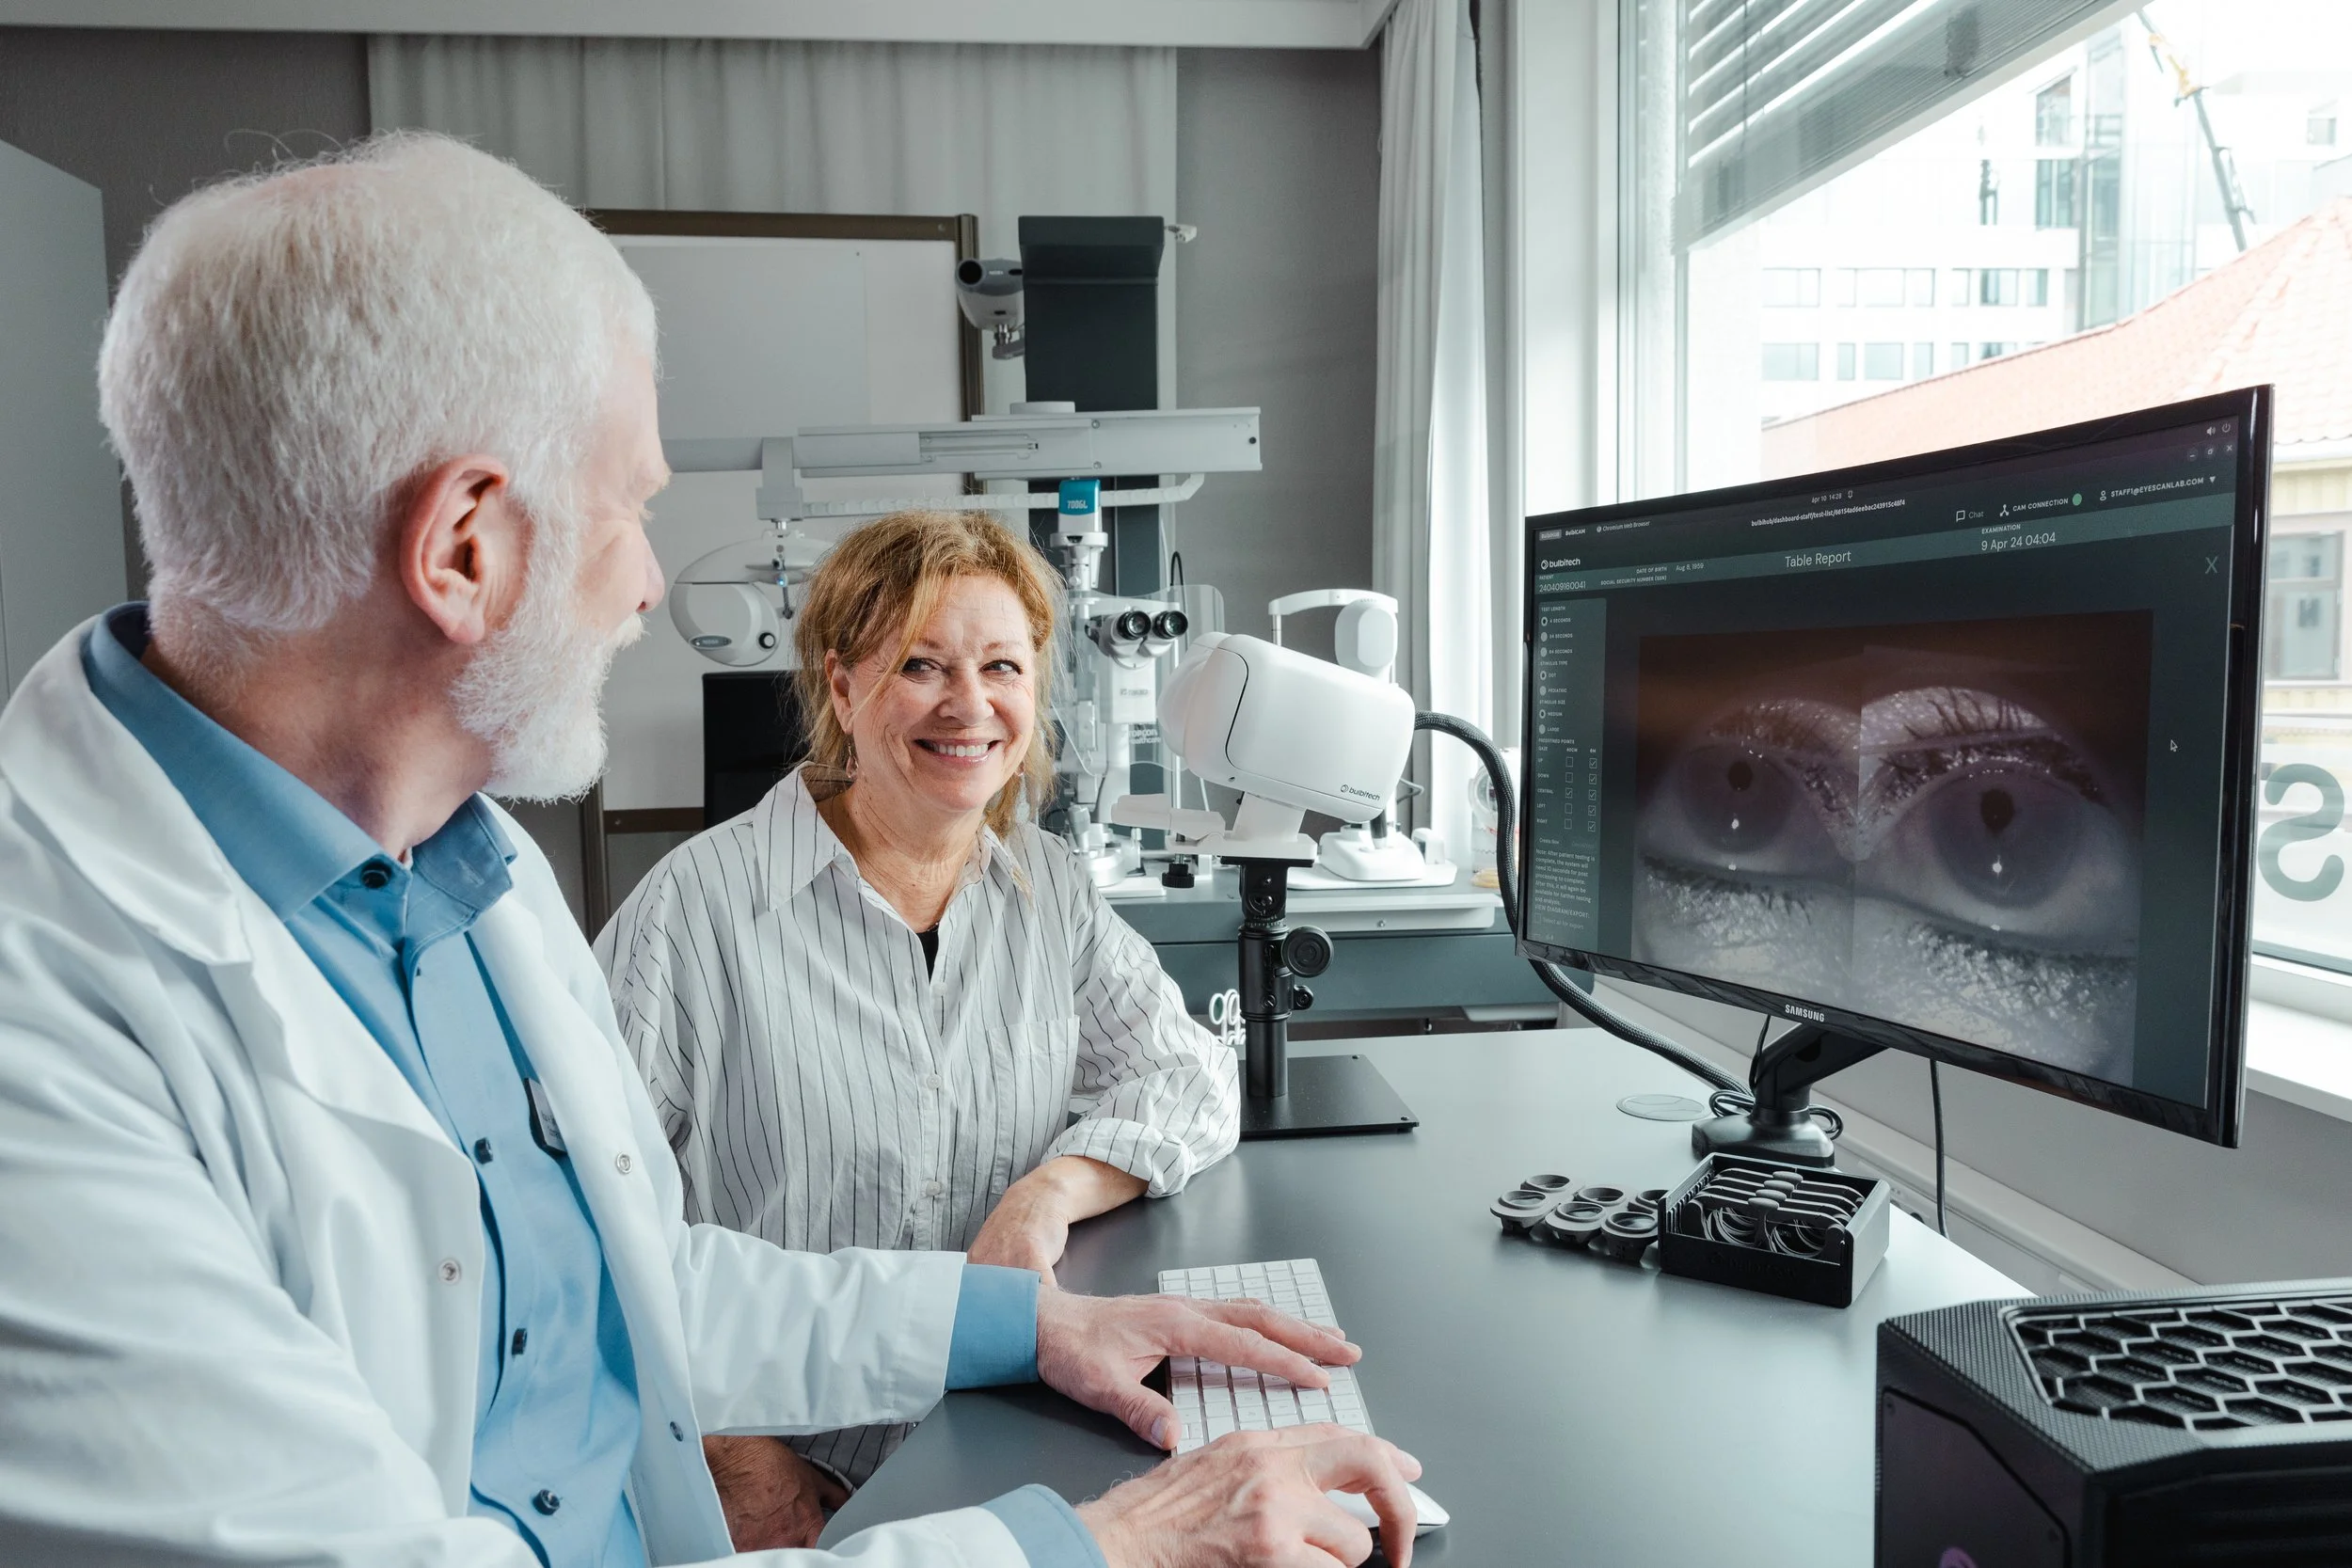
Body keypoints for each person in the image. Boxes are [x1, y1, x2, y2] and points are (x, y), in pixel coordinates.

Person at [0, 132, 1422, 1568]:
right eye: (633, 505)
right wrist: (1095, 1544)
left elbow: (628, 1279)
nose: (645, 583)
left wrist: (1029, 1318)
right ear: (464, 550)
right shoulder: (49, 1041)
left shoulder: (468, 874)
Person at [596, 510, 1243, 1534]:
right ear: (842, 686)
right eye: (923, 665)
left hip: (996, 1432)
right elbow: (587, 1232)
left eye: (1002, 665)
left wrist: (1049, 1191)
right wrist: (728, 1449)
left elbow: (1194, 1076)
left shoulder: (1048, 888)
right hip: (786, 1472)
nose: (970, 704)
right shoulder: (696, 911)